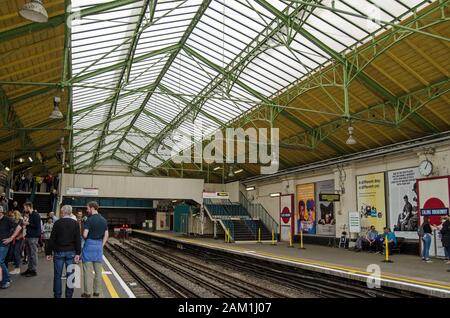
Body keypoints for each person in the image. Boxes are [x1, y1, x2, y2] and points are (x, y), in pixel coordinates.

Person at [46, 205, 81, 298]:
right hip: (71, 252)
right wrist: (78, 253)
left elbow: (52, 239)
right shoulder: (75, 223)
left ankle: (57, 295)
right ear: (70, 212)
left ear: (62, 212)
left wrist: (48, 253)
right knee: (71, 276)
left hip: (58, 252)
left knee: (57, 275)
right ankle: (69, 296)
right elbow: (78, 240)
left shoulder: (57, 223)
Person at [81, 201, 108, 298]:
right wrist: (102, 245)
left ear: (92, 208)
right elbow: (106, 235)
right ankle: (97, 291)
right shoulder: (103, 220)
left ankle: (87, 293)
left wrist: (84, 237)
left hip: (89, 245)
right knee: (98, 271)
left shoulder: (89, 220)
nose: (86, 210)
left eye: (87, 208)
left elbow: (85, 234)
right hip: (98, 246)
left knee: (87, 271)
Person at [0, 206, 22, 289]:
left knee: (0, 261)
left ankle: (7, 279)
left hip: (4, 244)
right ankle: (4, 278)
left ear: (1, 212)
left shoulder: (7, 219)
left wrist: (11, 238)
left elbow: (19, 227)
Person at [21, 202, 41, 277]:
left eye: (25, 207)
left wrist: (27, 224)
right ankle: (29, 269)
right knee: (29, 254)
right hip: (28, 236)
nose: (24, 209)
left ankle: (34, 270)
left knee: (33, 254)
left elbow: (37, 226)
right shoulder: (30, 215)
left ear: (29, 207)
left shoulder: (36, 215)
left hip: (33, 237)